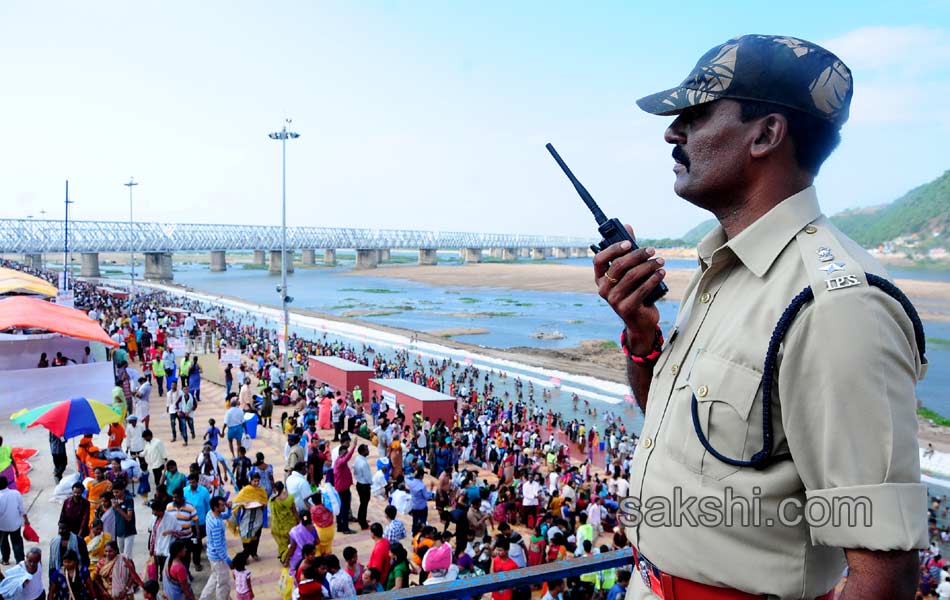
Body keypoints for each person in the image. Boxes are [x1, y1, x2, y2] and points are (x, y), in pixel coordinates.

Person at [599, 34, 928, 600]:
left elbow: (882, 575)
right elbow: (682, 423)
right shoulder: (721, 269)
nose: (673, 132)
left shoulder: (837, 306)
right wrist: (642, 336)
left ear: (767, 134)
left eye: (696, 114)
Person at [200, 497, 231, 600]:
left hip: (211, 555)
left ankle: (204, 598)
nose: (224, 506)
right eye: (222, 505)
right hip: (218, 558)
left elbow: (226, 515)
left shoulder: (210, 514)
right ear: (215, 507)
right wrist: (227, 559)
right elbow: (218, 546)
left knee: (214, 578)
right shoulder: (216, 524)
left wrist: (229, 508)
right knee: (223, 584)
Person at [230, 473, 267, 559]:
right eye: (255, 481)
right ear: (250, 481)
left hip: (258, 517)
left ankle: (254, 553)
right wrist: (243, 504)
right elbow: (236, 502)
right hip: (247, 518)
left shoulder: (261, 490)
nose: (256, 483)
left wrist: (262, 504)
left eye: (258, 481)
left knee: (256, 536)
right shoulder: (245, 491)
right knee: (245, 535)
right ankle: (245, 555)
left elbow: (265, 501)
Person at [183, 475, 210, 571]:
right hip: (188, 523)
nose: (191, 484)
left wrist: (208, 519)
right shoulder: (185, 491)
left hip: (201, 522)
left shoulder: (204, 491)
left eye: (193, 482)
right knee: (188, 544)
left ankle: (196, 562)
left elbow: (208, 506)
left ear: (197, 481)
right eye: (190, 483)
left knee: (197, 543)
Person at [147, 499, 177, 584]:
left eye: (154, 511)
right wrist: (151, 548)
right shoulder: (154, 518)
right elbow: (151, 532)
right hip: (156, 549)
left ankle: (166, 587)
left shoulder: (171, 518)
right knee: (154, 570)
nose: (153, 513)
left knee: (165, 570)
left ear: (160, 510)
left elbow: (179, 532)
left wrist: (171, 532)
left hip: (166, 549)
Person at [268, 481, 298, 563]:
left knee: (282, 544)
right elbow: (294, 511)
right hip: (290, 525)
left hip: (277, 526)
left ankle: (283, 556)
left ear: (275, 489)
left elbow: (272, 513)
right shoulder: (289, 498)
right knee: (291, 542)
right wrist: (299, 522)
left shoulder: (272, 500)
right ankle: (288, 557)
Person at [0, 476, 27, 565]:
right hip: (15, 524)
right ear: (7, 483)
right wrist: (26, 520)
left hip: (2, 525)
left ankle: (5, 559)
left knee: (3, 542)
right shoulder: (15, 493)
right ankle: (20, 562)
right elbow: (22, 509)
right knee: (17, 542)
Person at [332, 438, 357, 534]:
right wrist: (354, 447)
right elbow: (348, 457)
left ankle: (340, 526)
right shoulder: (340, 462)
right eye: (345, 452)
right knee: (344, 509)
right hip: (342, 489)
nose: (346, 454)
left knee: (341, 508)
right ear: (341, 453)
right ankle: (345, 528)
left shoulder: (341, 462)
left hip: (343, 488)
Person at [285, 510, 318, 576]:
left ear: (300, 518)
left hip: (298, 557)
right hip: (310, 554)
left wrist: (287, 560)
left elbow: (292, 547)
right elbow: (317, 541)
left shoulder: (295, 531)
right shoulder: (313, 528)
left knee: (296, 574)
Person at [353, 444, 373, 531]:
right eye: (366, 449)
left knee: (363, 503)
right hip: (364, 485)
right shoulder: (363, 463)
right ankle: (363, 524)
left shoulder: (358, 459)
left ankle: (362, 519)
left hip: (359, 483)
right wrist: (371, 483)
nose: (368, 451)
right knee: (364, 504)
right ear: (362, 451)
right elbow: (367, 476)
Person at [309, 492, 336, 557]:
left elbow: (313, 521)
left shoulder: (313, 509)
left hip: (320, 533)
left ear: (312, 501)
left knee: (318, 549)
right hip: (331, 531)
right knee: (328, 547)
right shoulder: (328, 507)